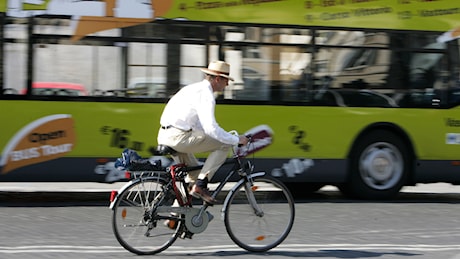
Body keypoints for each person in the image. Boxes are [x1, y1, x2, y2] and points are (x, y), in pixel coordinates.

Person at [157, 60, 249, 204]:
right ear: (218, 79)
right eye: (226, 80)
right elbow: (210, 128)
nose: (227, 84)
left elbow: (199, 126)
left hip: (165, 135)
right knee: (224, 145)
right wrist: (236, 139)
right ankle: (201, 186)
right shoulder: (206, 95)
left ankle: (175, 217)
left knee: (193, 174)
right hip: (178, 137)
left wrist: (222, 135)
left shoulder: (192, 89)